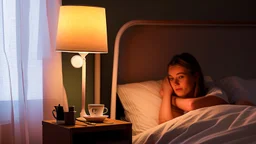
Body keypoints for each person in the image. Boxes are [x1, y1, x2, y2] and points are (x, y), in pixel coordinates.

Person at [158, 52, 229, 124]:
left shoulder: (215, 92)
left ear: (195, 76)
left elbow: (192, 105)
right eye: (171, 78)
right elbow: (165, 125)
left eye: (181, 77)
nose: (175, 83)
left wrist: (170, 98)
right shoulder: (175, 106)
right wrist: (167, 92)